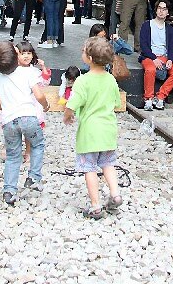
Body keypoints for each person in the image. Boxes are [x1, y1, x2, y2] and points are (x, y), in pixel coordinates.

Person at [63, 37, 122, 219]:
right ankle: (115, 194)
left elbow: (72, 104)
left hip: (89, 133)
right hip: (108, 131)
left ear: (89, 58)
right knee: (108, 164)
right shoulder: (111, 80)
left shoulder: (82, 81)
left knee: (90, 169)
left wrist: (67, 115)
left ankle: (95, 206)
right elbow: (116, 104)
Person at [0, 40, 49, 205]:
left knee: (12, 156)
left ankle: (9, 191)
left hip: (8, 122)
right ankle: (34, 177)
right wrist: (46, 106)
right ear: (16, 56)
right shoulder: (28, 73)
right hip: (28, 118)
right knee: (38, 144)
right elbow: (39, 95)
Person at [138, 0, 173, 111]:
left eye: (164, 9)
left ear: (168, 12)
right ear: (156, 10)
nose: (161, 11)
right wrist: (154, 58)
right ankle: (148, 98)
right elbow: (143, 45)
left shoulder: (170, 29)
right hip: (149, 56)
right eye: (159, 8)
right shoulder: (147, 25)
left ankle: (160, 96)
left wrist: (170, 60)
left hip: (164, 56)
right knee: (150, 70)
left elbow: (172, 47)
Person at [14, 40, 51, 162]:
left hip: (31, 105)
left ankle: (28, 151)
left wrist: (43, 67)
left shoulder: (34, 71)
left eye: (29, 53)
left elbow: (44, 82)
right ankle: (16, 152)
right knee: (16, 131)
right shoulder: (12, 72)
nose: (26, 56)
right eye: (23, 53)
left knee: (29, 132)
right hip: (17, 104)